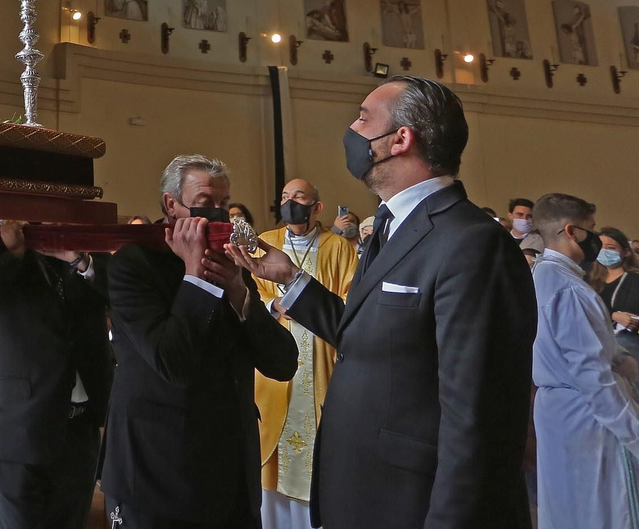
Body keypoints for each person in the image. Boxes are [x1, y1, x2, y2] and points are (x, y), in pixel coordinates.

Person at [229, 76, 536, 529]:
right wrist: (290, 278)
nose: (352, 129)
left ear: (400, 139)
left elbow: (478, 417)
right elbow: (367, 334)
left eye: (363, 118)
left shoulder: (472, 243)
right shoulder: (391, 228)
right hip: (365, 488)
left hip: (413, 499)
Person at [102, 155, 296, 528]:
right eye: (205, 202)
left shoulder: (229, 260)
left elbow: (282, 362)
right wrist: (196, 278)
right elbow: (171, 362)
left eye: (223, 204)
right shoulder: (134, 264)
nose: (217, 214)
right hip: (158, 472)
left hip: (231, 473)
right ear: (170, 204)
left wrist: (239, 292)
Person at [0, 221, 110, 529]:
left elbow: (120, 299)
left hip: (80, 428)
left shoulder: (84, 242)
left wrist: (80, 260)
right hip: (17, 428)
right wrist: (13, 254)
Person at [253, 178, 359, 529]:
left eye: (298, 197)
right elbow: (250, 294)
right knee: (270, 469)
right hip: (273, 366)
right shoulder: (265, 243)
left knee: (317, 459)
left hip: (320, 362)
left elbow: (349, 303)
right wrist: (272, 304)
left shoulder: (337, 247)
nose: (290, 202)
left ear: (317, 207)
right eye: (284, 196)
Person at [529, 192, 639, 528]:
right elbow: (596, 380)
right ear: (571, 231)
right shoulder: (569, 290)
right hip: (586, 418)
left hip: (559, 409)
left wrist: (619, 357)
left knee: (566, 507)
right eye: (591, 229)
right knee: (600, 510)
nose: (597, 240)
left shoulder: (541, 276)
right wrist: (635, 434)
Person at [596, 227, 639, 358]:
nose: (604, 251)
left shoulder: (633, 279)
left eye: (610, 248)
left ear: (626, 252)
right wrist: (613, 315)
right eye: (600, 247)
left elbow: (630, 313)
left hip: (623, 342)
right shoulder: (591, 279)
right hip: (595, 339)